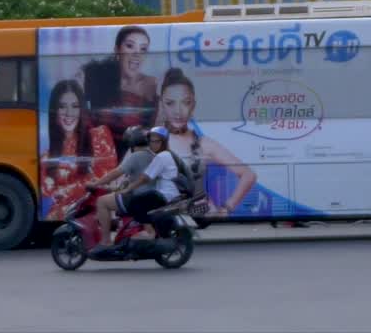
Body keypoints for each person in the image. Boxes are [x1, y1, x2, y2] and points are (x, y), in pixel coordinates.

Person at [153, 67, 257, 217]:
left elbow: (248, 175)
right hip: (164, 218)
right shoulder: (151, 140)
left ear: (193, 105)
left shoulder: (203, 144)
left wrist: (226, 209)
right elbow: (125, 179)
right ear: (161, 104)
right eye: (170, 103)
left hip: (201, 219)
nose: (178, 111)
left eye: (186, 102)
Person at [91, 126, 182, 254]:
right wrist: (118, 188)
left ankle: (106, 241)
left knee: (102, 202)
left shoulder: (136, 156)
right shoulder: (154, 155)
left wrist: (96, 183)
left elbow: (116, 173)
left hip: (137, 197)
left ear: (132, 143)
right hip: (152, 197)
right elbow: (133, 180)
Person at [40, 80, 118, 220]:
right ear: (54, 111)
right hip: (64, 217)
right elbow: (48, 192)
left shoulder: (99, 135)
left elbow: (106, 178)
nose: (69, 113)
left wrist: (67, 189)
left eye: (75, 106)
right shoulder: (46, 156)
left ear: (81, 109)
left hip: (95, 211)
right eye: (62, 107)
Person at [82, 26, 159, 161]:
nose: (137, 54)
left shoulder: (152, 85)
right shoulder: (98, 79)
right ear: (117, 50)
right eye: (130, 46)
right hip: (99, 157)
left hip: (137, 158)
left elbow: (156, 130)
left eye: (143, 49)